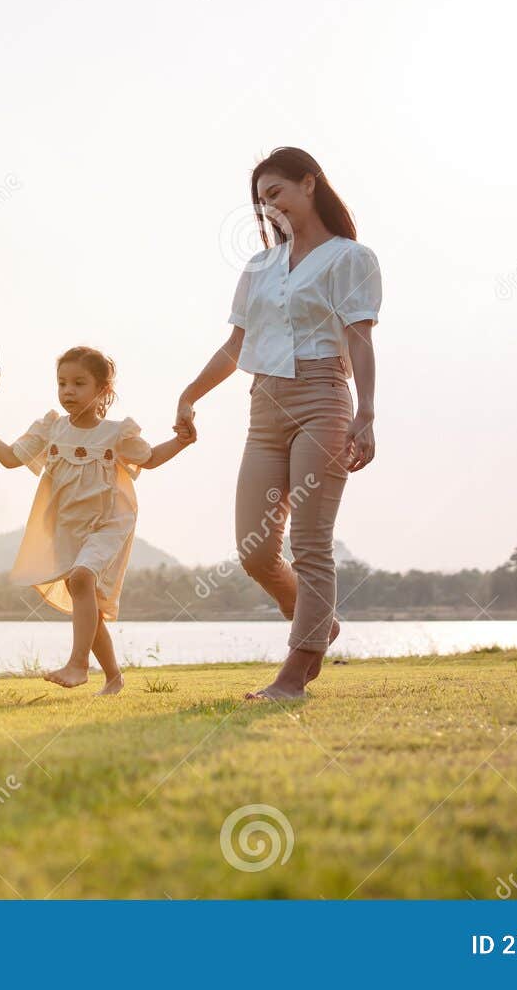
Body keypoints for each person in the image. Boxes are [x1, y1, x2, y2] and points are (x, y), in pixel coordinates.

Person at [175, 147, 380, 700]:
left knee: (311, 543)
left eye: (276, 194)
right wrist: (189, 395)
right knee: (255, 548)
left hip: (323, 397)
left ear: (309, 184)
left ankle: (295, 673)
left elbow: (359, 338)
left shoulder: (349, 258)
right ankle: (318, 624)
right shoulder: (259, 267)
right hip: (264, 405)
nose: (269, 209)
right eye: (261, 202)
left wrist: (366, 413)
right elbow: (236, 346)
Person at [0, 346, 191, 694]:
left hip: (109, 523)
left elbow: (149, 458)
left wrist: (181, 442)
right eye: (61, 383)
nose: (68, 391)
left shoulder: (116, 433)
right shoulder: (51, 429)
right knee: (85, 597)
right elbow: (11, 458)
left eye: (78, 383)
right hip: (69, 530)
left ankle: (78, 664)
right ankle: (114, 677)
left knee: (82, 577)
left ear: (103, 390)